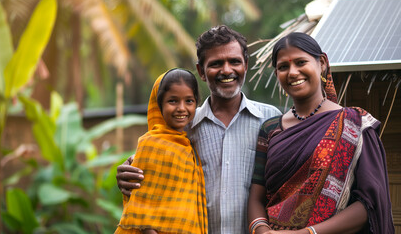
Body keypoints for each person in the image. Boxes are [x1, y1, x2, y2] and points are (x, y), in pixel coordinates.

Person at [116, 25, 281, 233]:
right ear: (201, 71)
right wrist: (130, 173)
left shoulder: (271, 120)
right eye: (216, 64)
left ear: (246, 65)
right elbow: (156, 166)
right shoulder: (183, 129)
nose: (227, 70)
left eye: (235, 61)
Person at [247, 32, 394, 234]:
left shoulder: (354, 124)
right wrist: (262, 229)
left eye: (300, 62)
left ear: (322, 62)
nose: (292, 72)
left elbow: (371, 203)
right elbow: (257, 196)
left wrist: (308, 233)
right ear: (276, 74)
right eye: (283, 67)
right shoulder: (270, 129)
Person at [115, 68, 207, 234]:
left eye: (189, 101)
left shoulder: (187, 146)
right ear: (159, 104)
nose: (181, 108)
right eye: (172, 101)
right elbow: (143, 207)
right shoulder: (150, 145)